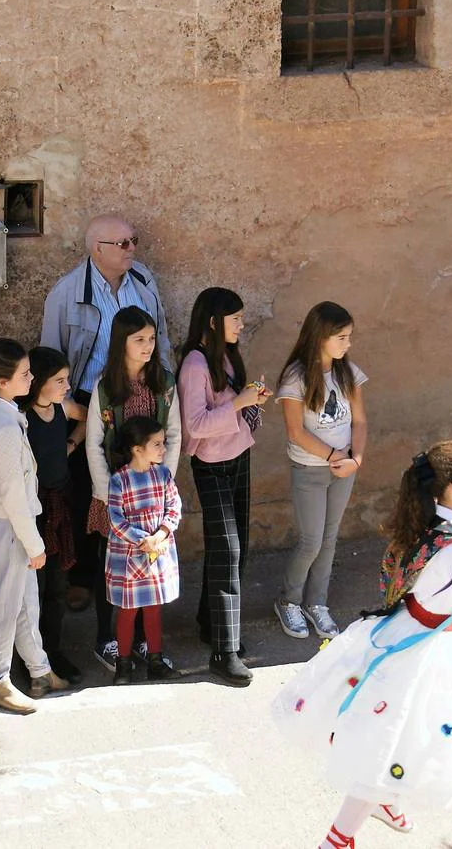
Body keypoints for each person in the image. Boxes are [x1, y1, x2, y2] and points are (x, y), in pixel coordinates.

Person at [273, 441, 452, 848]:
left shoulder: (428, 525)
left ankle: (383, 801)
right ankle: (337, 839)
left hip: (405, 631)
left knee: (397, 738)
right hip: (428, 651)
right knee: (391, 742)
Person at [40, 215, 172, 612]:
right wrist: (66, 407)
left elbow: (160, 337)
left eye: (133, 240)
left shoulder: (144, 284)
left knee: (136, 487)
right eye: (123, 243)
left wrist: (164, 390)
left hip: (137, 394)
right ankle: (83, 578)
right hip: (86, 399)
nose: (132, 248)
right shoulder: (66, 293)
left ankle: (137, 565)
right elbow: (50, 354)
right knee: (87, 492)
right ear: (97, 249)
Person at [0, 339, 69, 714]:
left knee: (25, 601)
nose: (31, 378)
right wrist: (35, 544)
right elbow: (13, 494)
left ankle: (39, 670)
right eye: (25, 374)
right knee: (5, 603)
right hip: (8, 525)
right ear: (1, 381)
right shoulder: (3, 425)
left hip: (9, 524)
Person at [176, 288, 266, 686]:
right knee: (227, 551)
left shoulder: (224, 355)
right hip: (212, 465)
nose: (242, 325)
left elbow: (230, 406)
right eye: (236, 319)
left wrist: (249, 401)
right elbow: (194, 424)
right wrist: (239, 403)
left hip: (239, 455)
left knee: (236, 547)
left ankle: (211, 624)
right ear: (213, 322)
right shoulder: (195, 365)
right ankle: (224, 652)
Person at [86, 307, 182, 674]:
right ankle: (106, 640)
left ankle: (145, 642)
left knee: (151, 564)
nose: (147, 346)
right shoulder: (106, 387)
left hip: (154, 492)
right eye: (138, 340)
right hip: (115, 491)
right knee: (112, 566)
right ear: (121, 343)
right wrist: (106, 489)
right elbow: (94, 442)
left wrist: (163, 480)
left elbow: (173, 434)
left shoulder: (165, 382)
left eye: (151, 339)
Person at [273, 301, 367, 642]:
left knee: (329, 539)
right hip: (310, 469)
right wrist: (334, 456)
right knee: (310, 541)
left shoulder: (347, 372)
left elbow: (359, 420)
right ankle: (289, 600)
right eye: (341, 337)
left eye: (349, 336)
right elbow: (295, 431)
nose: (347, 344)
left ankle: (317, 603)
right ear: (320, 337)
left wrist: (355, 459)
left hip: (344, 468)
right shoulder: (296, 377)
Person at [20, 346, 89, 686]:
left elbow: (86, 417)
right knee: (34, 587)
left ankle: (53, 651)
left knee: (59, 586)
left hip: (60, 504)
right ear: (37, 383)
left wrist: (72, 444)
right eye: (59, 380)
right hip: (32, 510)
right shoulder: (21, 417)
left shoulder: (63, 406)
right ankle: (30, 658)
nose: (66, 386)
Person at [105, 416, 184, 685]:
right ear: (137, 449)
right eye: (157, 444)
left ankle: (155, 660)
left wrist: (160, 534)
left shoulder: (162, 475)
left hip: (156, 552)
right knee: (128, 610)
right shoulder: (119, 481)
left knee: (153, 607)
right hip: (130, 555)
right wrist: (143, 539)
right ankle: (123, 665)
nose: (163, 449)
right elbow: (116, 519)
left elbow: (174, 507)